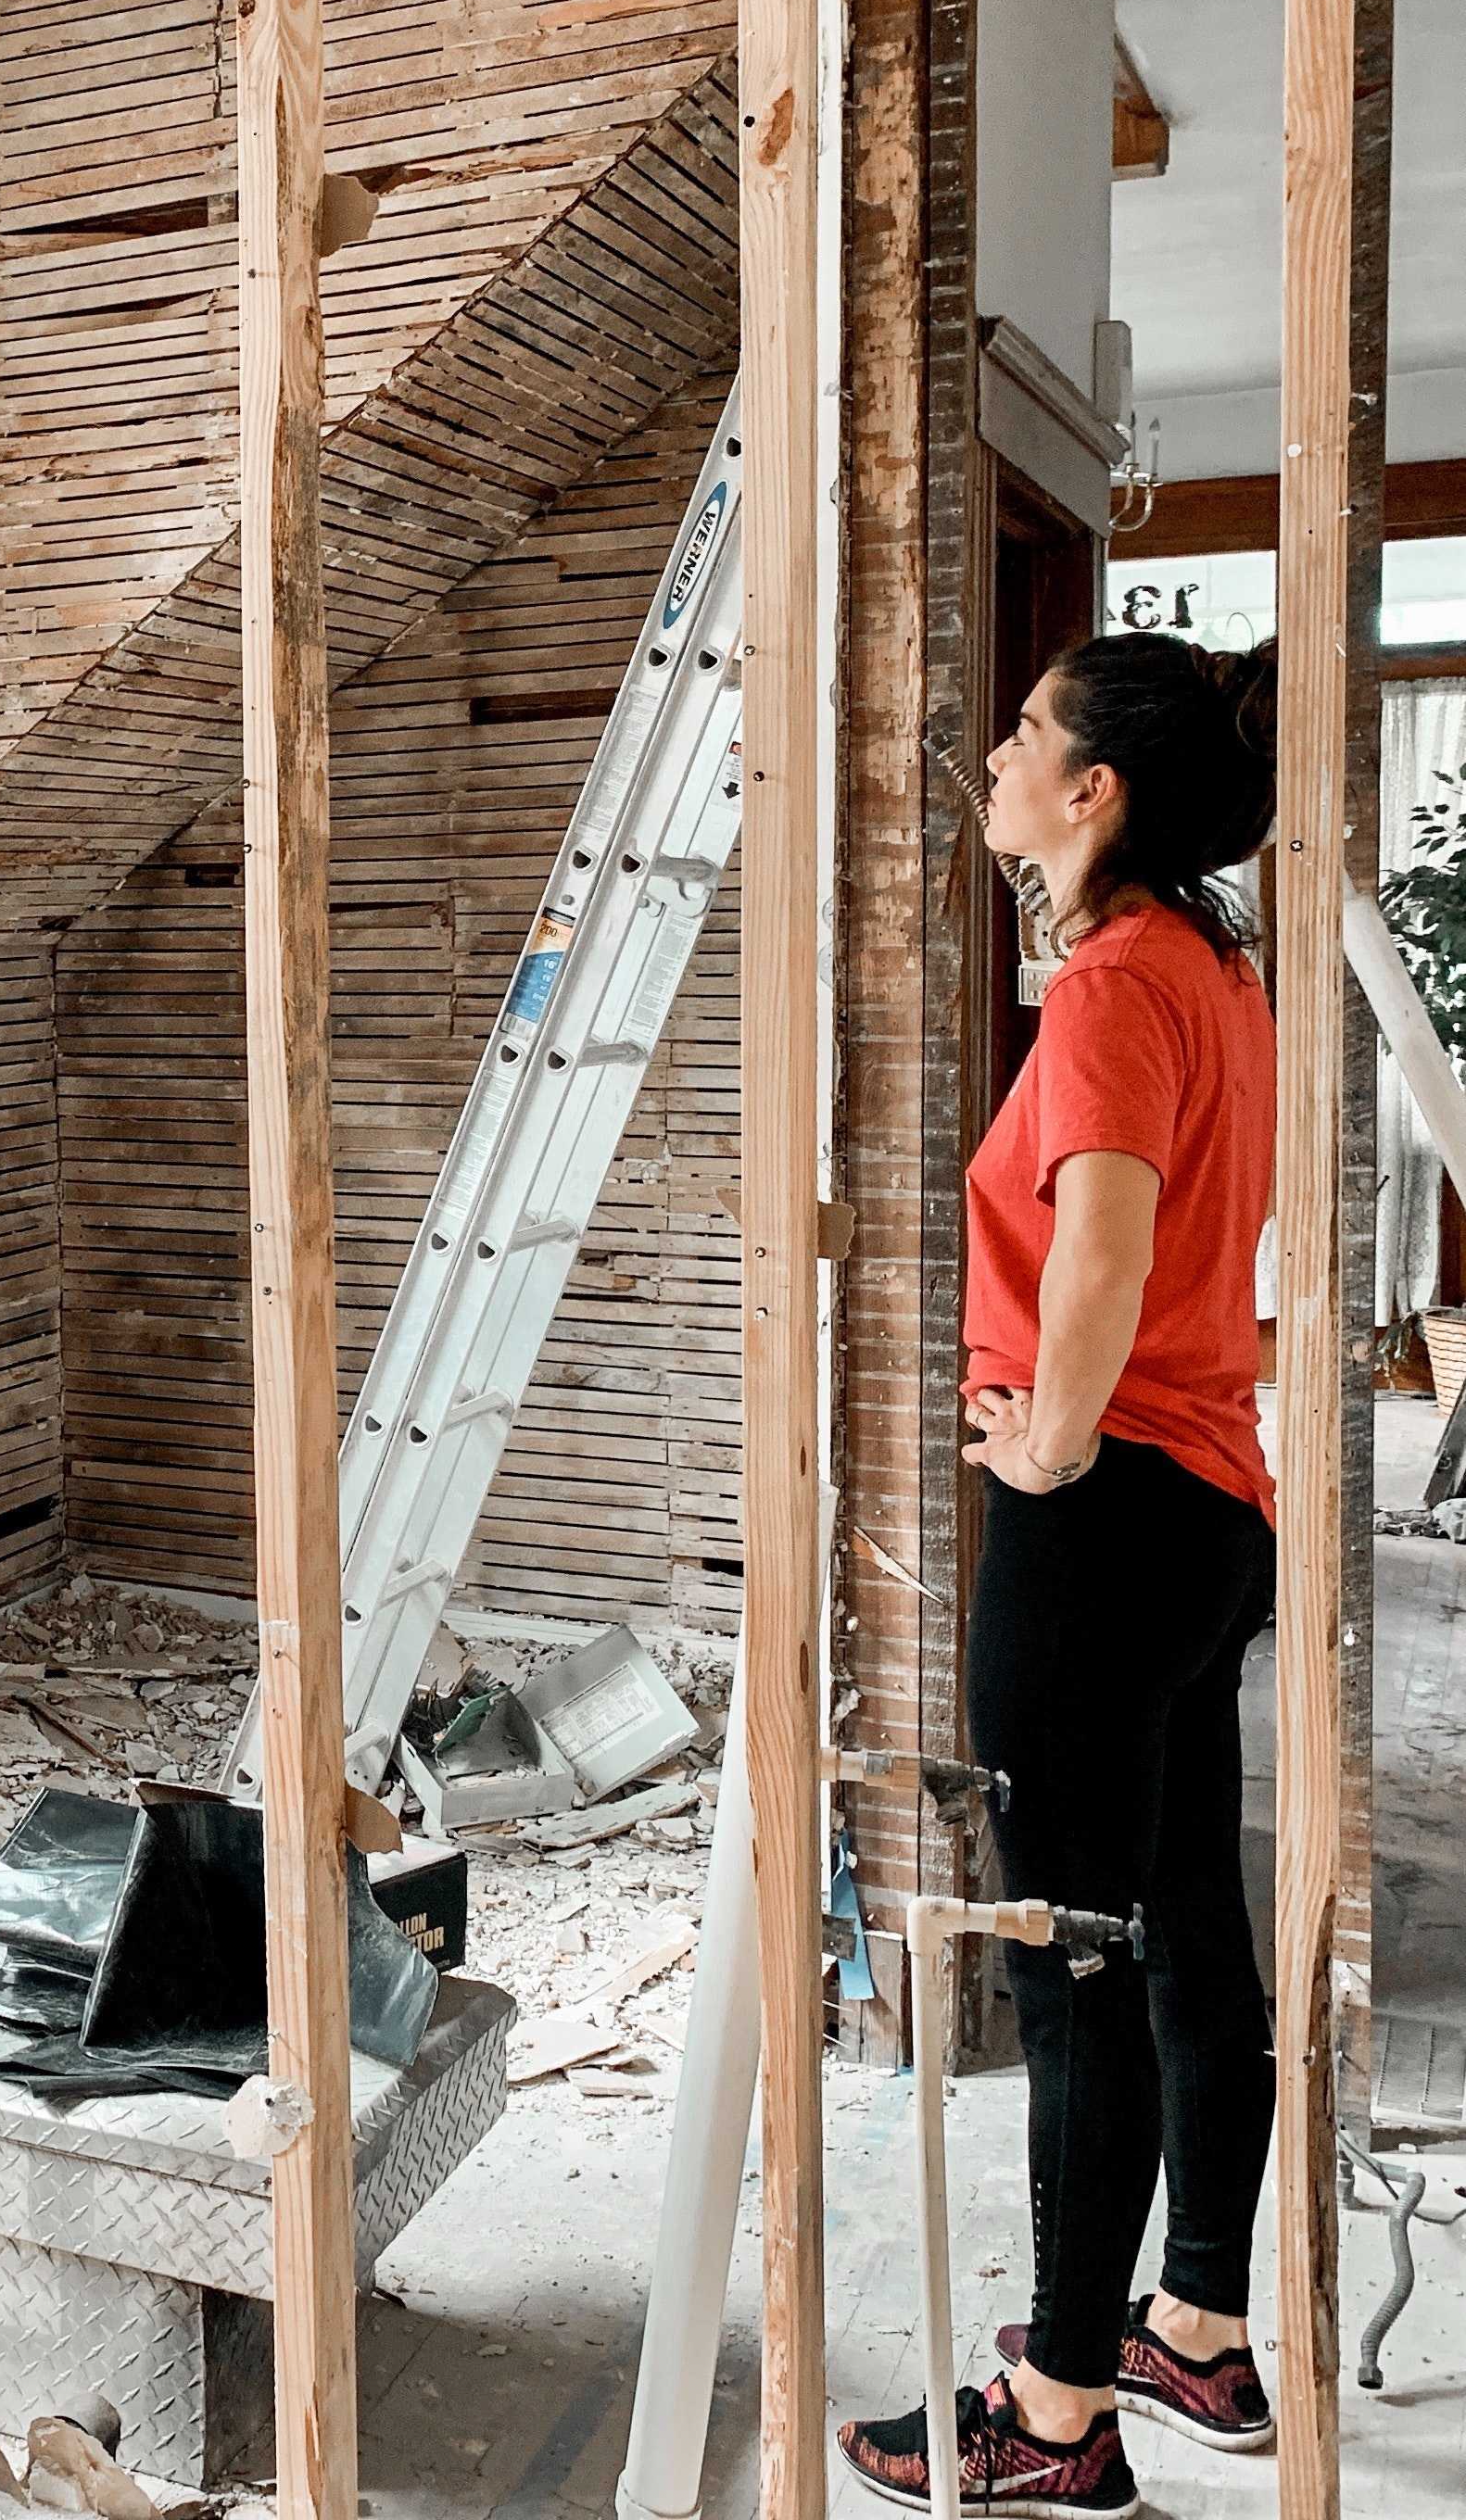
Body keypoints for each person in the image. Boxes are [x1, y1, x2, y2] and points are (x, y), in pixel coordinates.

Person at [838, 632, 1283, 2517]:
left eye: (1025, 732)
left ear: (1088, 791)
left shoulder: (1110, 980)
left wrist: (1039, 1438)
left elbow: (1097, 1244)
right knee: (1183, 1937)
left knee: (1074, 1968)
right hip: (1208, 1508)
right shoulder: (1211, 966)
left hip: (1095, 1524)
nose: (998, 757)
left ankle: (1058, 2412)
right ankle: (1191, 2330)